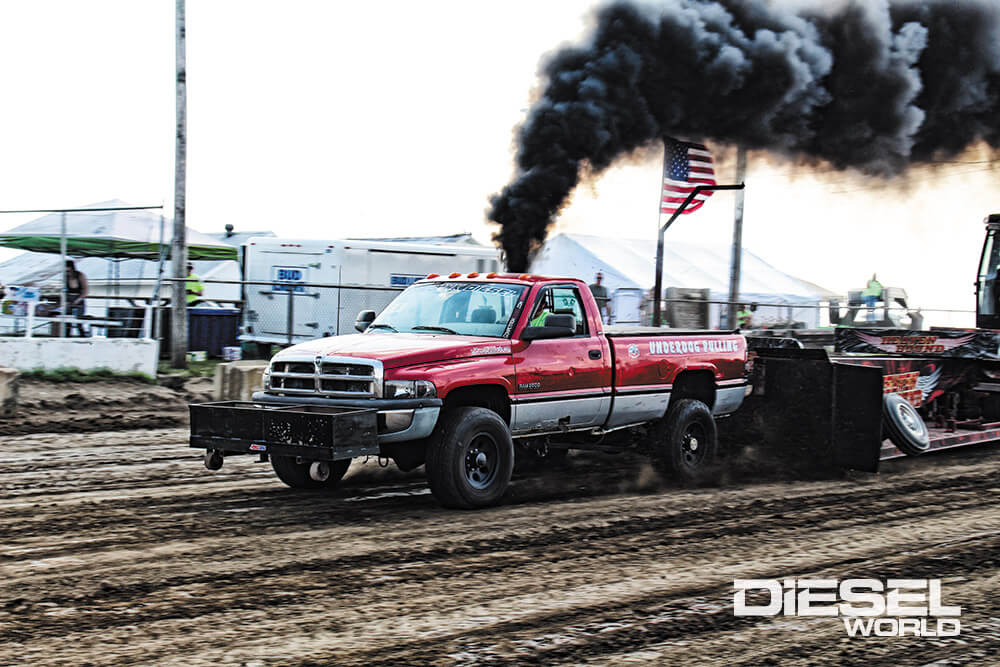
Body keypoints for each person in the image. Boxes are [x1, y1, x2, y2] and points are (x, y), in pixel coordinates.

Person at [64, 259, 88, 337]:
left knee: (79, 321)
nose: (68, 273)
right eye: (66, 271)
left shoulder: (80, 275)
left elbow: (85, 290)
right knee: (67, 320)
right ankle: (67, 337)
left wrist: (78, 300)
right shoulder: (65, 277)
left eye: (69, 271)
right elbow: (64, 290)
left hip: (79, 299)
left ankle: (83, 337)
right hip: (69, 299)